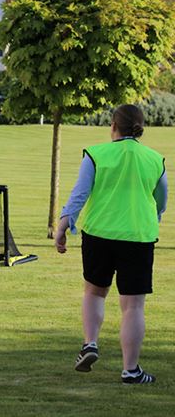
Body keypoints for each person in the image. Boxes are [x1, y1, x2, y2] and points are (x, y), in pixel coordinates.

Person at [55, 104, 167, 384]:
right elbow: (162, 197)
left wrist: (63, 223)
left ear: (113, 126)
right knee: (133, 306)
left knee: (94, 292)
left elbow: (79, 193)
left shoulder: (96, 154)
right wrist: (155, 216)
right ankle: (130, 370)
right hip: (138, 236)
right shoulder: (154, 159)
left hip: (99, 234)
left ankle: (90, 343)